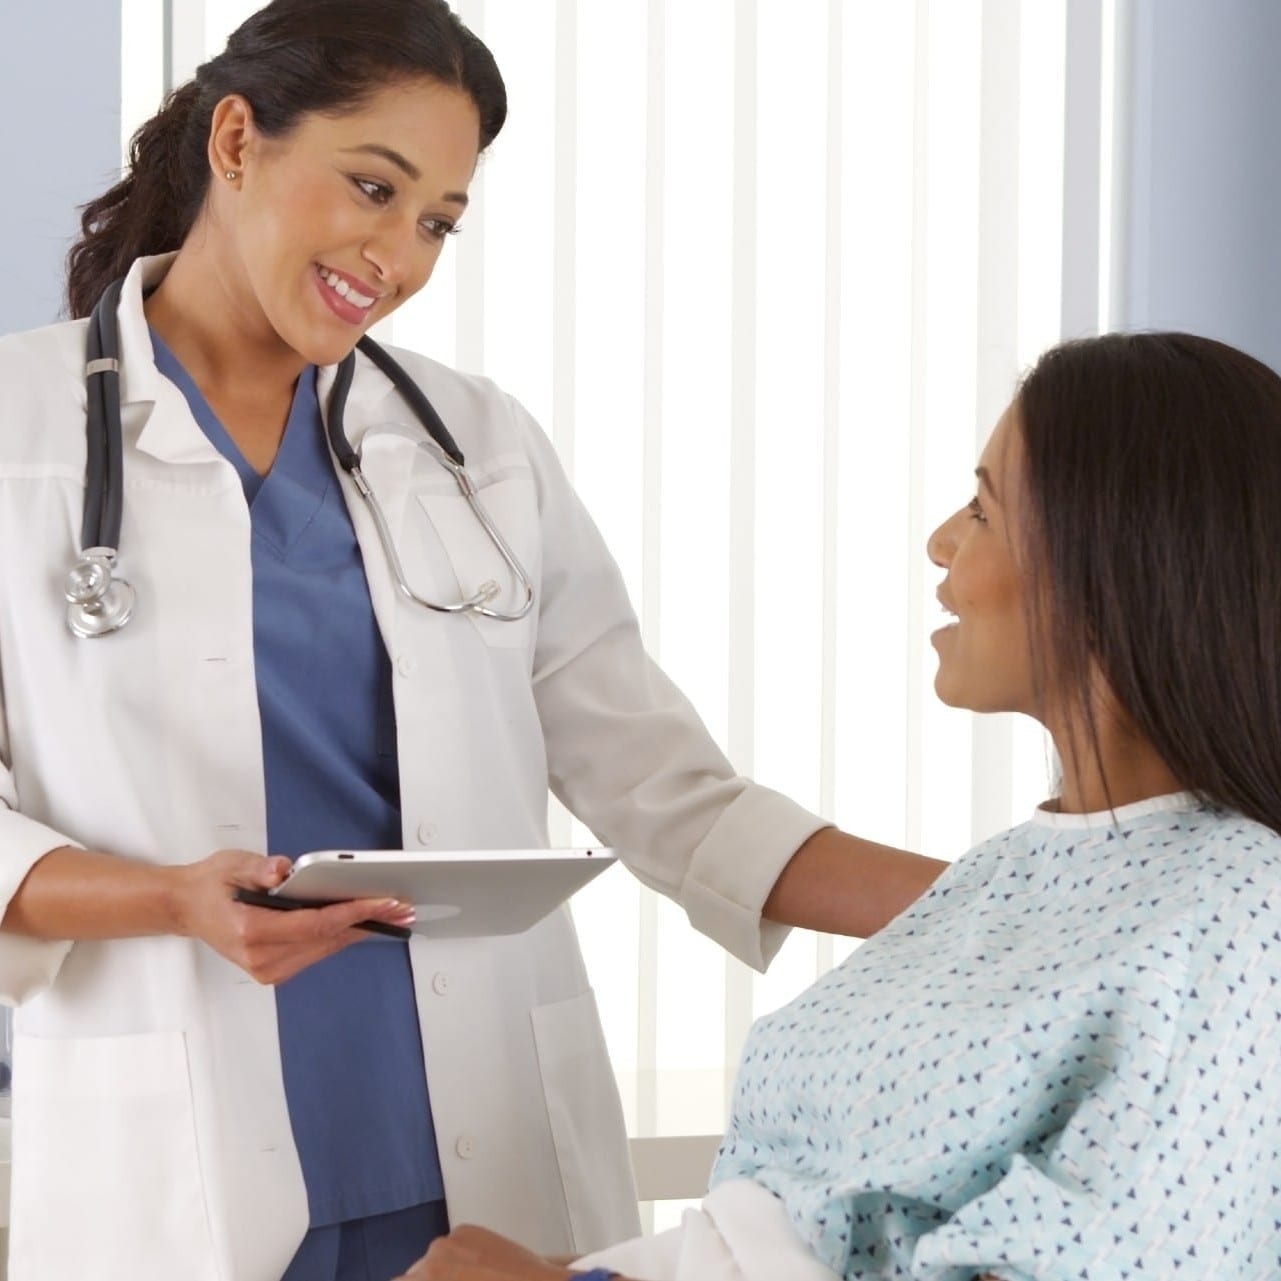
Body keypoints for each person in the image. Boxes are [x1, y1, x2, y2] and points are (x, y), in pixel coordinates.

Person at [0, 2, 945, 1278]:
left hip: (477, 1151)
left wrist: (1005, 906)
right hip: (177, 1156)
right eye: (372, 188)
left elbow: (670, 796)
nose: (398, 254)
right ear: (237, 141)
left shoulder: (476, 446)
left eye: (438, 220)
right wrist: (168, 899)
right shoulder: (22, 434)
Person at [396, 331, 1281, 1281]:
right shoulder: (1018, 868)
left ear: (1110, 559)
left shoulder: (1237, 915)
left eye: (981, 508)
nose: (941, 540)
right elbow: (810, 1228)